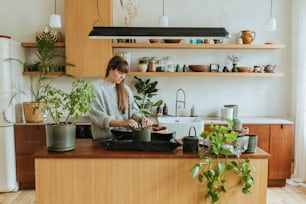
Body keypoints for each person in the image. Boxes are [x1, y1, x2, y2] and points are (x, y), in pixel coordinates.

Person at [89, 55, 153, 140]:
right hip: (104, 141)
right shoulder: (95, 88)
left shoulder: (126, 89)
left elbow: (133, 112)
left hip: (125, 140)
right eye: (120, 73)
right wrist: (123, 123)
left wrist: (142, 119)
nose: (123, 77)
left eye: (125, 74)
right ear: (110, 69)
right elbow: (99, 118)